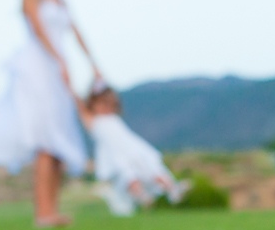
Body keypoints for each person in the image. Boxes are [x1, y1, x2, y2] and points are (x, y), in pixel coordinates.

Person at [0, 0, 101, 227]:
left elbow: (75, 31)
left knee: (58, 145)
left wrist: (93, 65)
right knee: (44, 140)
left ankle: (52, 210)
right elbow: (37, 28)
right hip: (38, 70)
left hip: (58, 71)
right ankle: (42, 214)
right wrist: (58, 60)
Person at [71, 80, 189, 216]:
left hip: (132, 147)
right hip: (114, 152)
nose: (106, 107)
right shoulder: (92, 121)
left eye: (109, 104)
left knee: (152, 168)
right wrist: (69, 83)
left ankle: (172, 189)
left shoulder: (113, 117)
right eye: (102, 103)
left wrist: (90, 60)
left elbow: (102, 81)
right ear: (93, 104)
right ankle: (142, 196)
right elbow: (79, 103)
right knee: (128, 175)